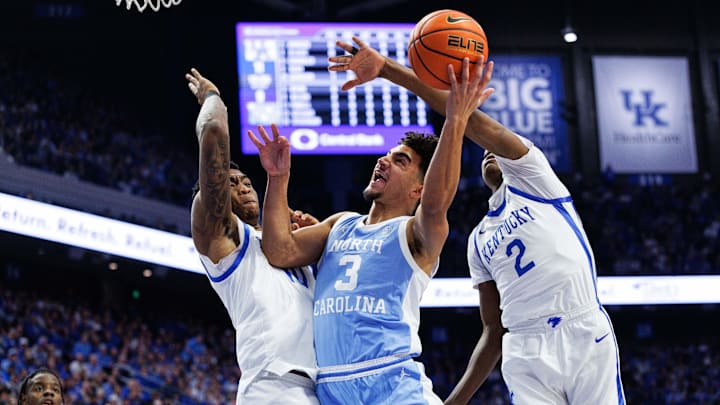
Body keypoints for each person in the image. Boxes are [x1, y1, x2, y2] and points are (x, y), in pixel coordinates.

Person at [328, 37, 626, 404]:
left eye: (494, 147)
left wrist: (390, 70)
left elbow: (469, 119)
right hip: (523, 348)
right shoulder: (478, 238)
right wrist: (457, 399)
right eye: (482, 151)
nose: (488, 151)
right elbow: (492, 328)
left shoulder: (537, 182)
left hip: (579, 328)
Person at [248, 51, 494, 403]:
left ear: (418, 189)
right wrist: (277, 177)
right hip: (332, 388)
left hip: (391, 383)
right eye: (388, 155)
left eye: (401, 161)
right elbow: (279, 250)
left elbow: (438, 200)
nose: (384, 160)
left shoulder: (416, 233)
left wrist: (455, 121)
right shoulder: (340, 224)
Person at [185, 68, 320, 404]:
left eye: (246, 180)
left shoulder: (291, 245)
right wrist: (213, 98)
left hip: (324, 387)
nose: (243, 185)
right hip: (273, 387)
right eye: (230, 184)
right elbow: (214, 133)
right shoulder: (227, 239)